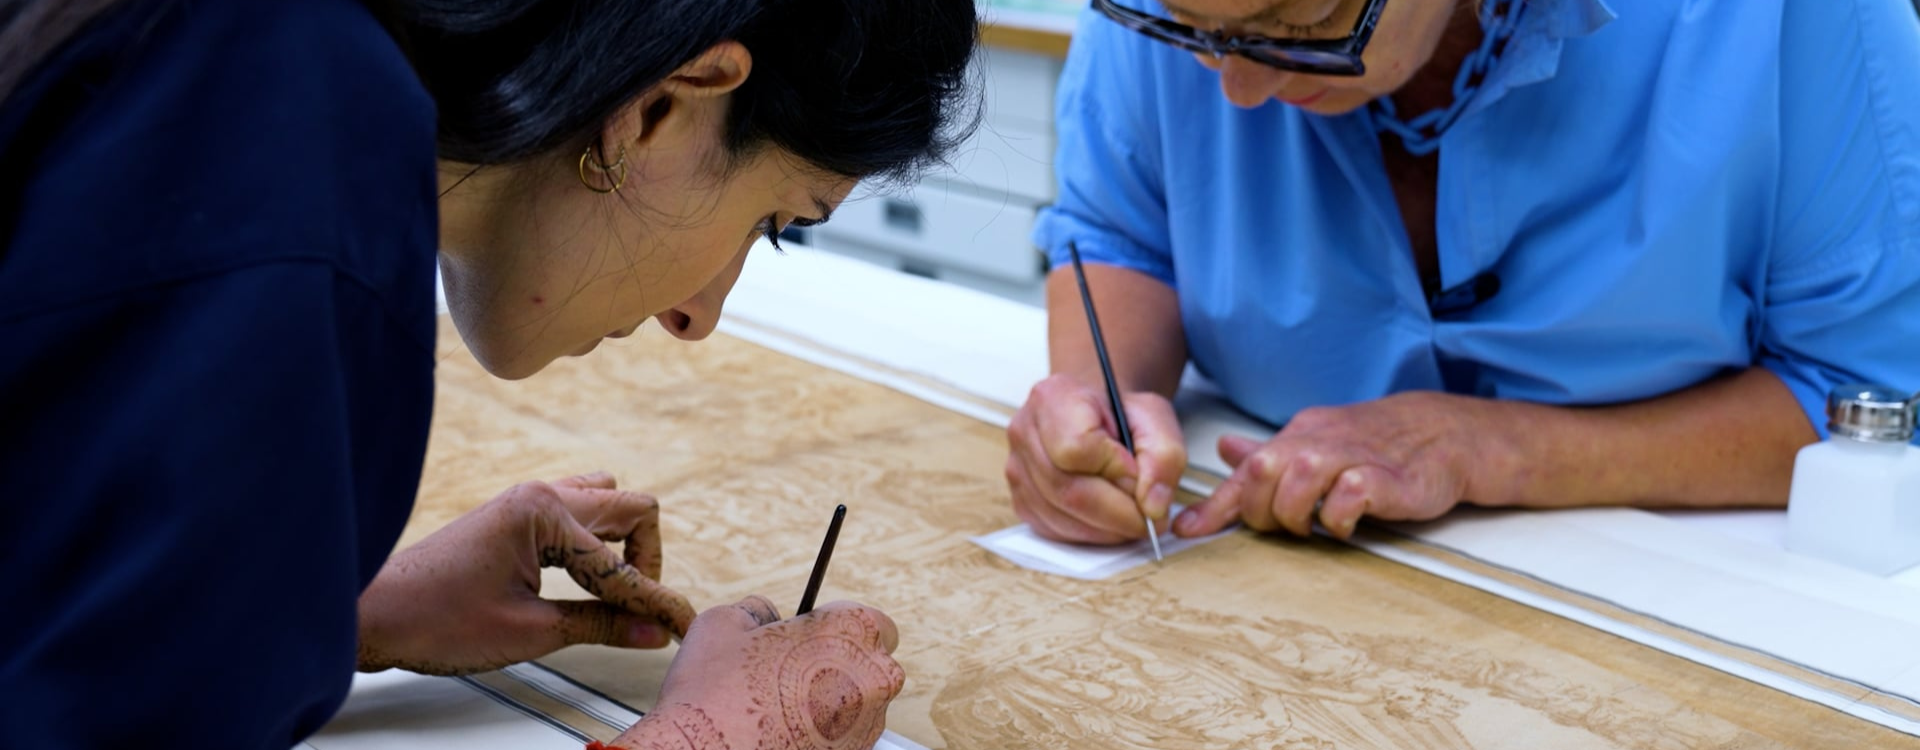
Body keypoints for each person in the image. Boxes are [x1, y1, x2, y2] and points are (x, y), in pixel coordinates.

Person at [0, 0, 975, 747]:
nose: (697, 316)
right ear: (660, 108)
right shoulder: (289, 205)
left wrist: (321, 613)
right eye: (772, 223)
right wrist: (698, 736)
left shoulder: (256, 62)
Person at [1005, 0, 1920, 545]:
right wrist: (1098, 400)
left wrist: (1494, 447)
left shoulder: (1785, 22)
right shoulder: (1181, 17)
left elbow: (1872, 407)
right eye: (1190, 30)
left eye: (1307, 23)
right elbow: (1121, 236)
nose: (1236, 89)